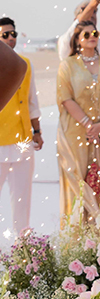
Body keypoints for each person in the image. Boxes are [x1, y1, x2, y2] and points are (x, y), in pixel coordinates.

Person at [57, 20, 100, 229]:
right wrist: (88, 124)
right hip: (75, 133)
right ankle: (76, 239)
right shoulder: (67, 65)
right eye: (85, 34)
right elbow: (66, 98)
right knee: (78, 181)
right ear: (77, 40)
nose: (91, 36)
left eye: (94, 33)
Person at [0, 18, 41, 234]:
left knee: (22, 200)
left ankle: (23, 249)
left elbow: (32, 100)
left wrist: (37, 131)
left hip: (23, 140)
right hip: (0, 141)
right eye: (4, 35)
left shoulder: (25, 63)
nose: (10, 38)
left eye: (13, 34)